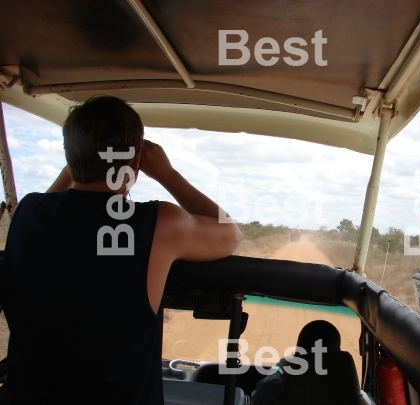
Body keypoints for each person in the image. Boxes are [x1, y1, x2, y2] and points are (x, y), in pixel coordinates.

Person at [0, 96, 241, 404]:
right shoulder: (159, 224)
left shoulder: (28, 212)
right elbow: (229, 234)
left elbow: (54, 204)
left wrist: (79, 160)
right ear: (137, 161)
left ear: (70, 156)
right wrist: (167, 174)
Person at [251, 320, 341, 405]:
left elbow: (259, 394)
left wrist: (281, 365)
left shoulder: (274, 393)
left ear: (297, 353)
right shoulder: (346, 396)